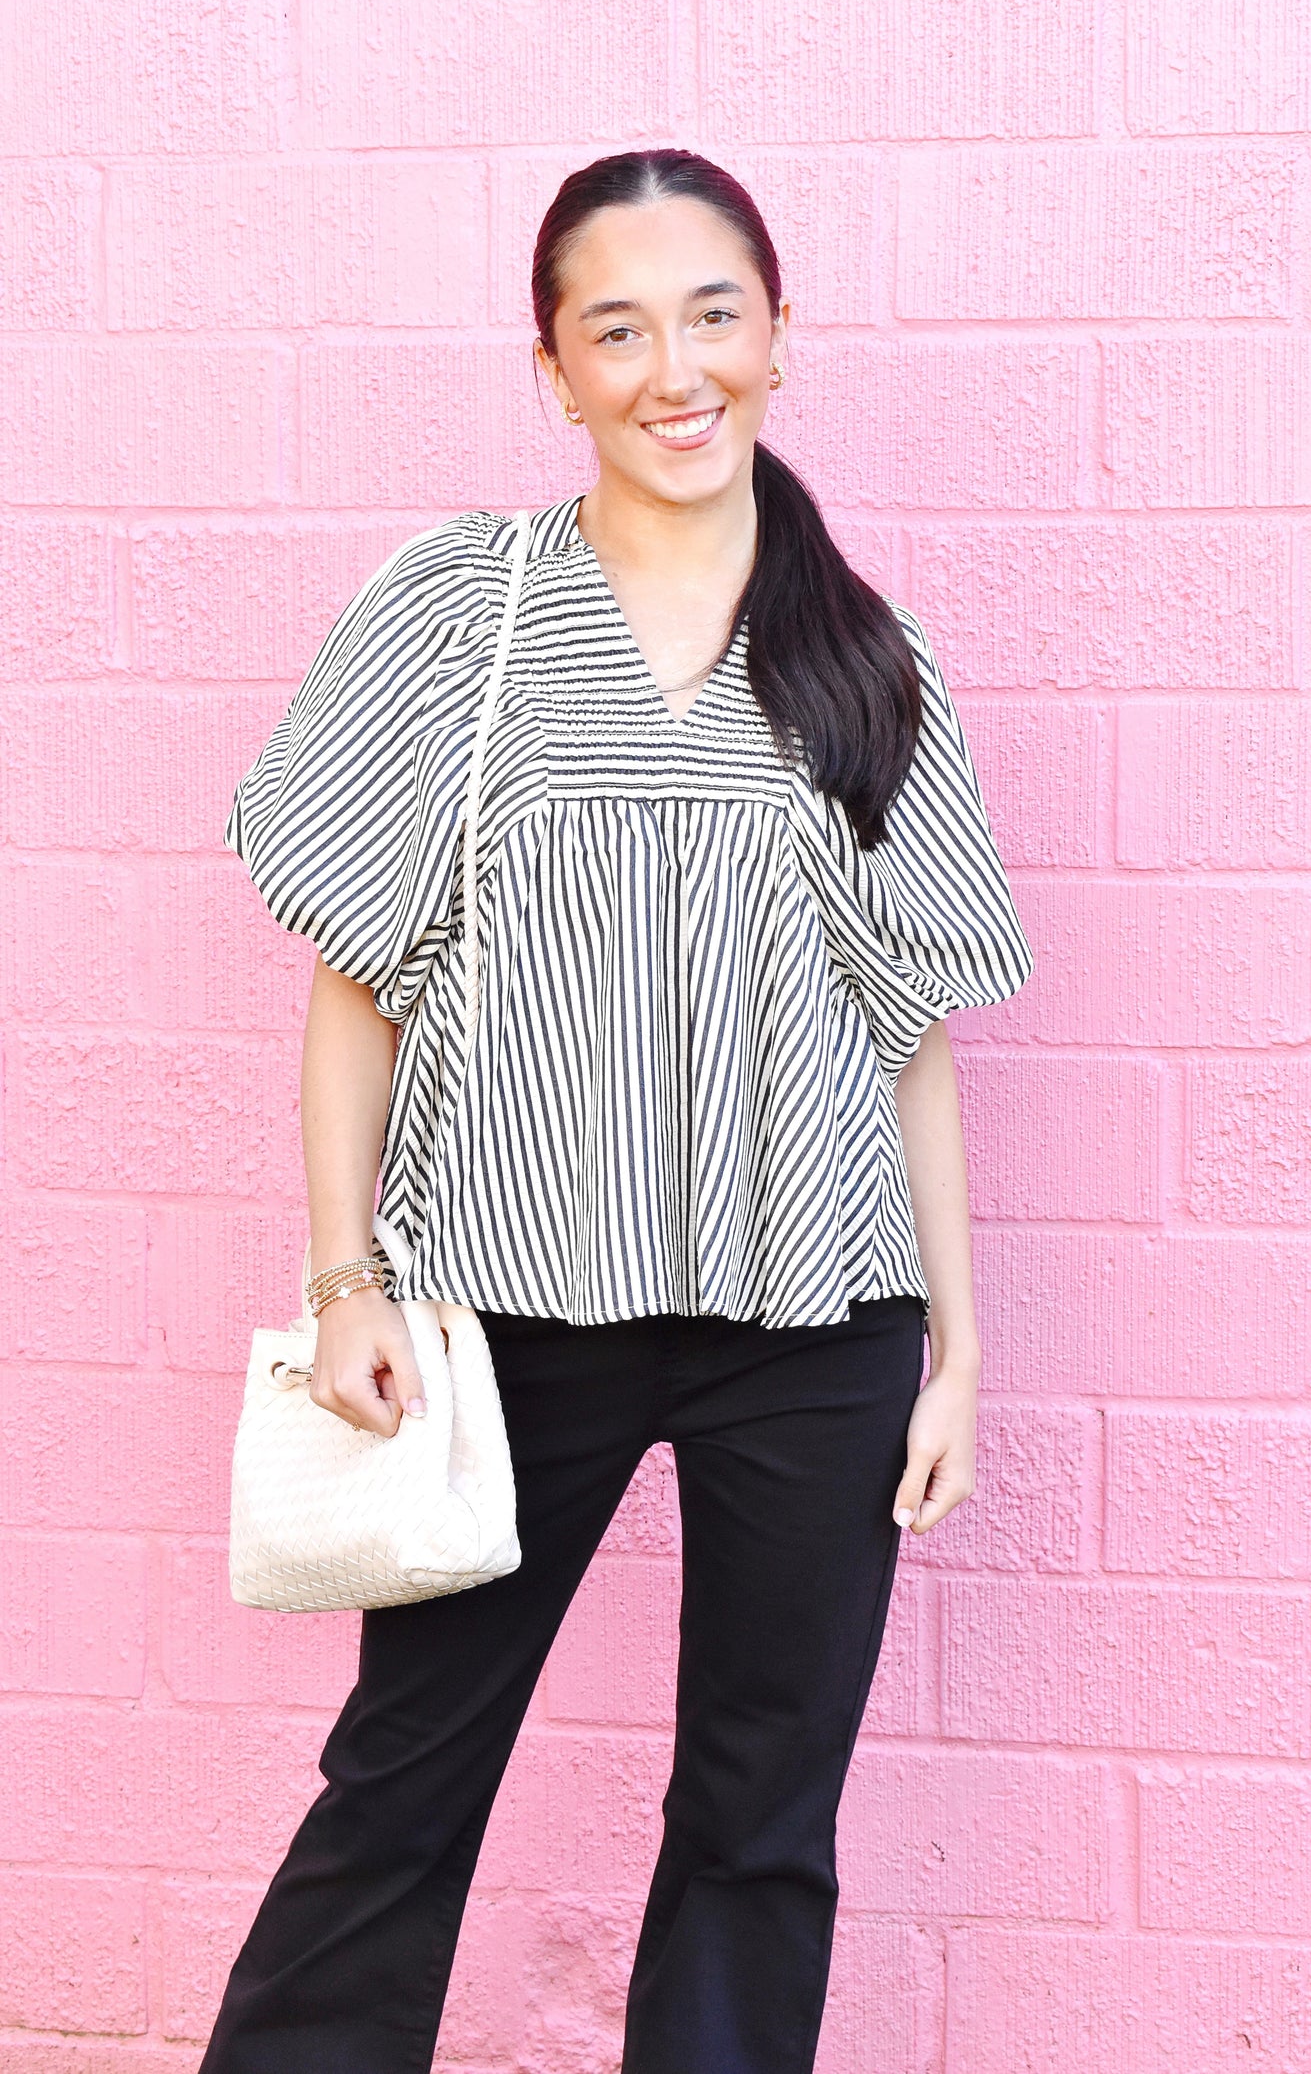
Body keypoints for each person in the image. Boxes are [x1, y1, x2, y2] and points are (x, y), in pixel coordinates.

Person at [200, 148, 1033, 2074]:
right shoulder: (458, 618)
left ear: (779, 337)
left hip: (816, 1328)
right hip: (505, 1320)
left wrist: (956, 1351)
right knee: (399, 1790)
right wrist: (345, 1284)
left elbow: (905, 1036)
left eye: (715, 314)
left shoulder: (864, 663)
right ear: (556, 369)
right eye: (620, 327)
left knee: (759, 1828)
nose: (678, 368)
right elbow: (357, 977)